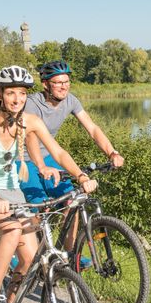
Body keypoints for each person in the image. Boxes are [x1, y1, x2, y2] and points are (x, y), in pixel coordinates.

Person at [0, 65, 97, 303]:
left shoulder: (29, 121)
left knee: (31, 257)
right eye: (11, 93)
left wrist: (80, 176)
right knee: (11, 229)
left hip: (10, 190)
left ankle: (11, 302)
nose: (17, 99)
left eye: (21, 94)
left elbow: (57, 152)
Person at [21, 60, 125, 204]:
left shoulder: (71, 101)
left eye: (66, 81)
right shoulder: (31, 104)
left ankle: (69, 226)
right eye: (58, 83)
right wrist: (41, 167)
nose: (64, 87)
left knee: (73, 200)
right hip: (23, 160)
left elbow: (93, 128)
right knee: (38, 205)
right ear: (45, 84)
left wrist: (112, 152)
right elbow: (30, 137)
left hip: (49, 155)